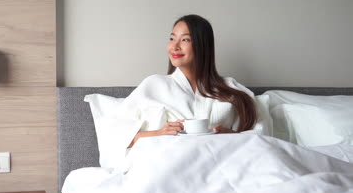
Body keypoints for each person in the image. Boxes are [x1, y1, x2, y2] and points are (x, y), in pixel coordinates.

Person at [86, 14, 265, 170]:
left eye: (185, 40)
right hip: (167, 166)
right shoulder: (153, 85)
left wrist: (233, 137)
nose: (175, 46)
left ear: (203, 45)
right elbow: (114, 135)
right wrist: (158, 133)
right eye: (172, 38)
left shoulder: (232, 89)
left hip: (222, 166)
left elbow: (263, 138)